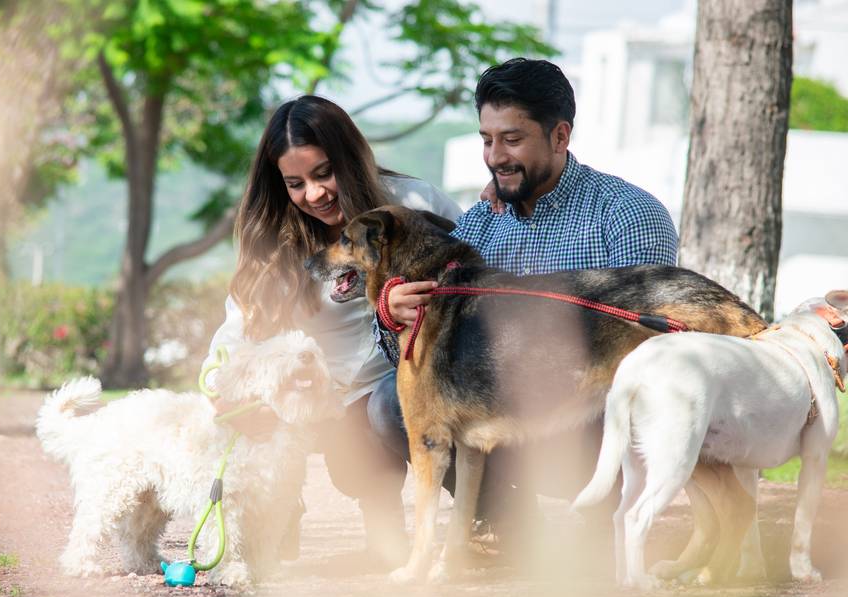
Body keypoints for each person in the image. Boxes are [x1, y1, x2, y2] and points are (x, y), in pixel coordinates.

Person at [366, 58, 680, 549]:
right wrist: (392, 315)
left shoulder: (628, 216)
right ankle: (507, 527)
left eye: (512, 139)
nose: (495, 157)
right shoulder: (481, 222)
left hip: (594, 425)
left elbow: (653, 350)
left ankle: (610, 524)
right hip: (503, 423)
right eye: (487, 140)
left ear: (559, 136)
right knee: (390, 402)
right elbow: (418, 356)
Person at [204, 94, 462, 567]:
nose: (315, 194)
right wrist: (220, 392)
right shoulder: (276, 239)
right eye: (295, 183)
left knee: (388, 407)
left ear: (350, 158)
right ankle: (286, 511)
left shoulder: (412, 203)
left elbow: (474, 267)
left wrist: (421, 297)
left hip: (405, 372)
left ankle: (490, 518)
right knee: (343, 449)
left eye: (324, 173)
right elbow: (235, 330)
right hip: (329, 393)